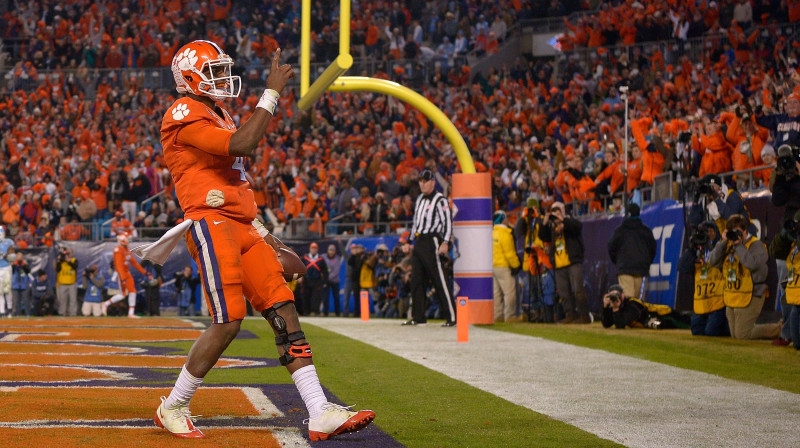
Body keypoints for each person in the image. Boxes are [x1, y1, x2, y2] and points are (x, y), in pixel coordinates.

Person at [142, 41, 372, 440]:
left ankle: (319, 411)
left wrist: (268, 234)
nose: (221, 78)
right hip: (210, 222)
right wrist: (271, 93)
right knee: (228, 321)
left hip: (241, 223)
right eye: (212, 71)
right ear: (190, 77)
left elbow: (238, 182)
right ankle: (174, 405)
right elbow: (241, 145)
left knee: (284, 309)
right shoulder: (183, 112)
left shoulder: (221, 113)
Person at [708, 214, 781, 339]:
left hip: (752, 294)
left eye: (738, 232)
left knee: (743, 335)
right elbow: (712, 262)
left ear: (745, 231)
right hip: (733, 294)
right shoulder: (727, 245)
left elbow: (751, 264)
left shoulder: (757, 245)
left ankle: (781, 329)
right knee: (736, 336)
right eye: (732, 231)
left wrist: (738, 245)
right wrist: (722, 242)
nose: (735, 235)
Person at [401, 169, 456, 327]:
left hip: (432, 240)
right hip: (419, 241)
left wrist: (445, 242)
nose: (422, 183)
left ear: (433, 182)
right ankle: (418, 317)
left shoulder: (440, 200)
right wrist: (408, 241)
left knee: (439, 279)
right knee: (416, 281)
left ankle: (451, 317)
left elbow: (447, 222)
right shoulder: (419, 199)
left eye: (426, 181)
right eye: (421, 181)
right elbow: (416, 223)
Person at [539, 201, 591, 324]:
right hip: (559, 264)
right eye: (554, 213)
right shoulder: (552, 227)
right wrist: (545, 223)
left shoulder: (570, 222)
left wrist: (562, 219)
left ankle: (584, 315)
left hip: (573, 262)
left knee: (578, 289)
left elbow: (577, 227)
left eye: (557, 213)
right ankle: (570, 314)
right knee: (563, 293)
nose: (555, 216)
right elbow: (543, 237)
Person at [679, 221, 729, 336]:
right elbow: (682, 267)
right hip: (700, 302)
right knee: (697, 332)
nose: (708, 234)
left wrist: (710, 246)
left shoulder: (721, 247)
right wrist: (692, 249)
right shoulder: (695, 250)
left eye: (711, 230)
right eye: (705, 231)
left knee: (711, 332)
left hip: (717, 302)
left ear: (716, 233)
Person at [607, 203, 657, 300]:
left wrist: (618, 262)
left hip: (625, 270)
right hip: (641, 270)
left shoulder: (619, 231)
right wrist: (646, 263)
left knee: (628, 301)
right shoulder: (646, 231)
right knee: (639, 302)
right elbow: (653, 249)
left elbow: (611, 248)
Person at [769, 210, 800, 350]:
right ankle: (787, 335)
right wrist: (783, 237)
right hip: (795, 291)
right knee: (797, 344)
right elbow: (775, 252)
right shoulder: (793, 241)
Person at [102, 233, 149, 318]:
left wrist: (144, 272)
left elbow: (134, 263)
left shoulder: (127, 249)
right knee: (123, 294)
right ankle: (106, 303)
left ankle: (131, 313)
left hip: (127, 273)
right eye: (127, 239)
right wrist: (122, 277)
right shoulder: (118, 250)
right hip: (121, 274)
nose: (128, 241)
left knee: (133, 291)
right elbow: (119, 265)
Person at [601, 284, 687, 329]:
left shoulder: (632, 305)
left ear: (623, 295)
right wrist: (605, 307)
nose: (614, 298)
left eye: (617, 295)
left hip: (664, 314)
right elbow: (606, 324)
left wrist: (616, 308)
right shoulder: (615, 305)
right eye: (611, 296)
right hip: (652, 320)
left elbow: (620, 325)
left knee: (686, 323)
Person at [492, 210, 521, 323]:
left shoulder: (491, 233)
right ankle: (510, 315)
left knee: (496, 293)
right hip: (504, 266)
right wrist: (516, 265)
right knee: (509, 293)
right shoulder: (505, 233)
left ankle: (497, 315)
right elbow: (509, 253)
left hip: (493, 266)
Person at [300, 242, 328, 316]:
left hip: (317, 281)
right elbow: (300, 269)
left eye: (315, 248)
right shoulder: (305, 258)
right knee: (306, 296)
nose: (313, 250)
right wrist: (300, 277)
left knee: (316, 297)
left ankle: (316, 311)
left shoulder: (321, 259)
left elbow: (325, 271)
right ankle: (306, 312)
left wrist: (325, 282)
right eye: (312, 248)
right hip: (307, 280)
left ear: (317, 249)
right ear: (310, 249)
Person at [55, 246, 79, 316]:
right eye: (67, 253)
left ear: (72, 253)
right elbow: (57, 269)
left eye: (70, 253)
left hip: (72, 283)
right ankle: (62, 313)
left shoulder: (74, 260)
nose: (68, 254)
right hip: (63, 284)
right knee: (62, 300)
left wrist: (68, 260)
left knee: (73, 300)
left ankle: (73, 314)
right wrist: (59, 260)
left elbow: (75, 266)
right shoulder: (61, 261)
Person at [321, 244, 343, 316]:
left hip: (334, 281)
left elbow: (336, 271)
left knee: (336, 297)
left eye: (333, 250)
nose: (331, 252)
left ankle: (337, 313)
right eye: (330, 250)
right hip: (326, 281)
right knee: (325, 297)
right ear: (328, 250)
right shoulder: (323, 257)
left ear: (335, 251)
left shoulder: (337, 258)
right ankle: (325, 313)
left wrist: (326, 278)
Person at [11, 250, 32, 317]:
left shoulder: (24, 263)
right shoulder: (14, 264)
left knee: (26, 300)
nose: (19, 258)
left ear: (22, 257)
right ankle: (18, 314)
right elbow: (12, 271)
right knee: (16, 301)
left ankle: (28, 314)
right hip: (16, 285)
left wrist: (25, 264)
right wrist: (14, 264)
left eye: (20, 256)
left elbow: (28, 271)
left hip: (24, 285)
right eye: (18, 256)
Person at [0, 226, 13, 317]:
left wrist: (5, 256)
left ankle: (9, 309)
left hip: (6, 268)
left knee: (7, 290)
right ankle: (2, 311)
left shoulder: (8, 242)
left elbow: (13, 257)